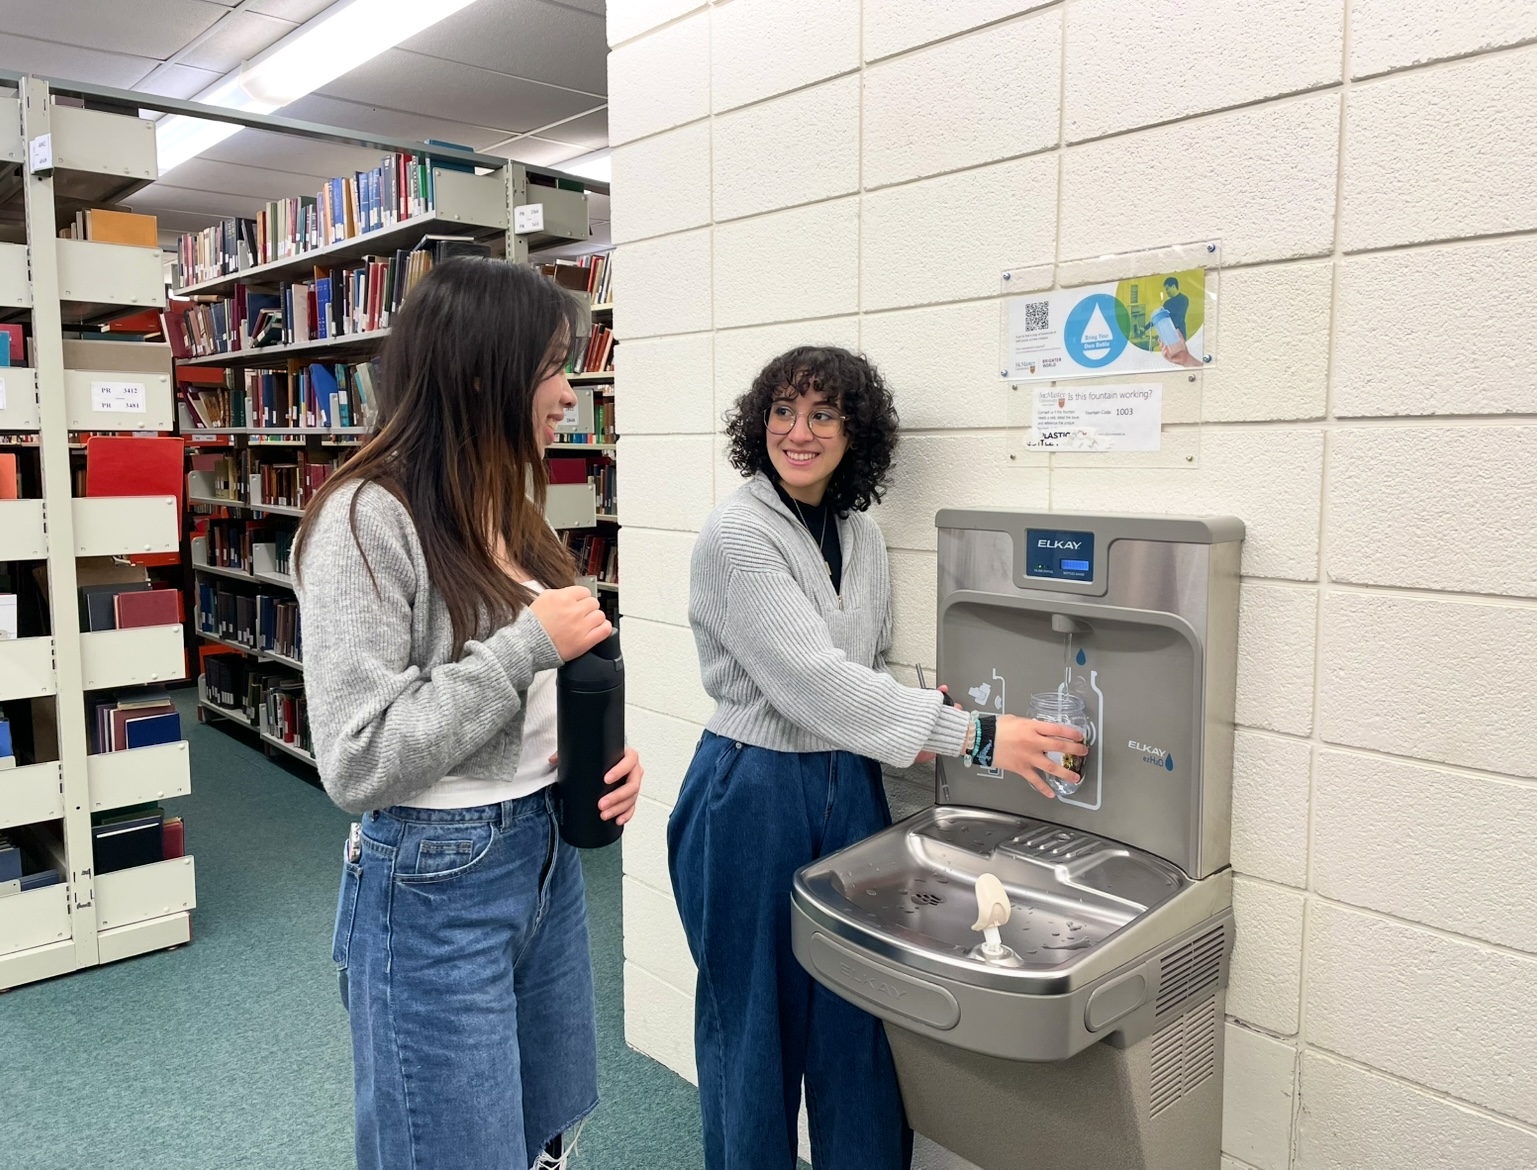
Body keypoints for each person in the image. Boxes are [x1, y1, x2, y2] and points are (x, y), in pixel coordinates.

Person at [668, 346, 1086, 1170]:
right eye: (783, 412)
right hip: (750, 791)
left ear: (855, 435)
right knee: (752, 1032)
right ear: (759, 424)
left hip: (848, 787)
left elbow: (867, 673)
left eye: (824, 415)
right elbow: (811, 685)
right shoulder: (737, 535)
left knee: (859, 1018)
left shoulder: (859, 533)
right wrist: (976, 736)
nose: (800, 431)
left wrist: (940, 733)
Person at [294, 258, 644, 1170]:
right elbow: (357, 756)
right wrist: (526, 644)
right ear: (484, 372)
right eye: (553, 368)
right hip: (433, 880)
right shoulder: (364, 519)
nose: (571, 393)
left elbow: (550, 678)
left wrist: (597, 756)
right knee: (451, 1146)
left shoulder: (509, 509)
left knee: (542, 1131)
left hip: (543, 858)